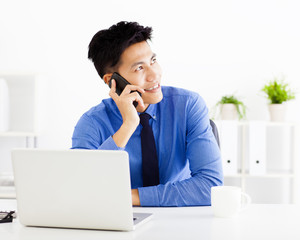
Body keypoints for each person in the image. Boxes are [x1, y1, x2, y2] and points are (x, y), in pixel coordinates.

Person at [72, 21, 223, 207]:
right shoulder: (92, 123)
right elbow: (79, 190)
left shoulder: (188, 105)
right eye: (139, 68)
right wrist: (128, 125)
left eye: (153, 61)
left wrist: (128, 197)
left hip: (180, 219)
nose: (154, 75)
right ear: (112, 81)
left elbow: (210, 187)